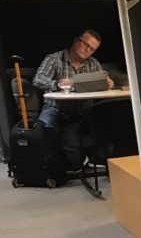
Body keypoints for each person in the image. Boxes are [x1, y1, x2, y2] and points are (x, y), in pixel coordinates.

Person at [33, 29, 113, 173]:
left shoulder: (93, 63)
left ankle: (96, 159)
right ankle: (55, 166)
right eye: (86, 44)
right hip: (56, 108)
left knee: (109, 119)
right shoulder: (54, 59)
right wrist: (58, 84)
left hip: (84, 109)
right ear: (76, 41)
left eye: (92, 49)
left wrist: (107, 83)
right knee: (45, 127)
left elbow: (101, 83)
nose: (87, 50)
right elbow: (38, 79)